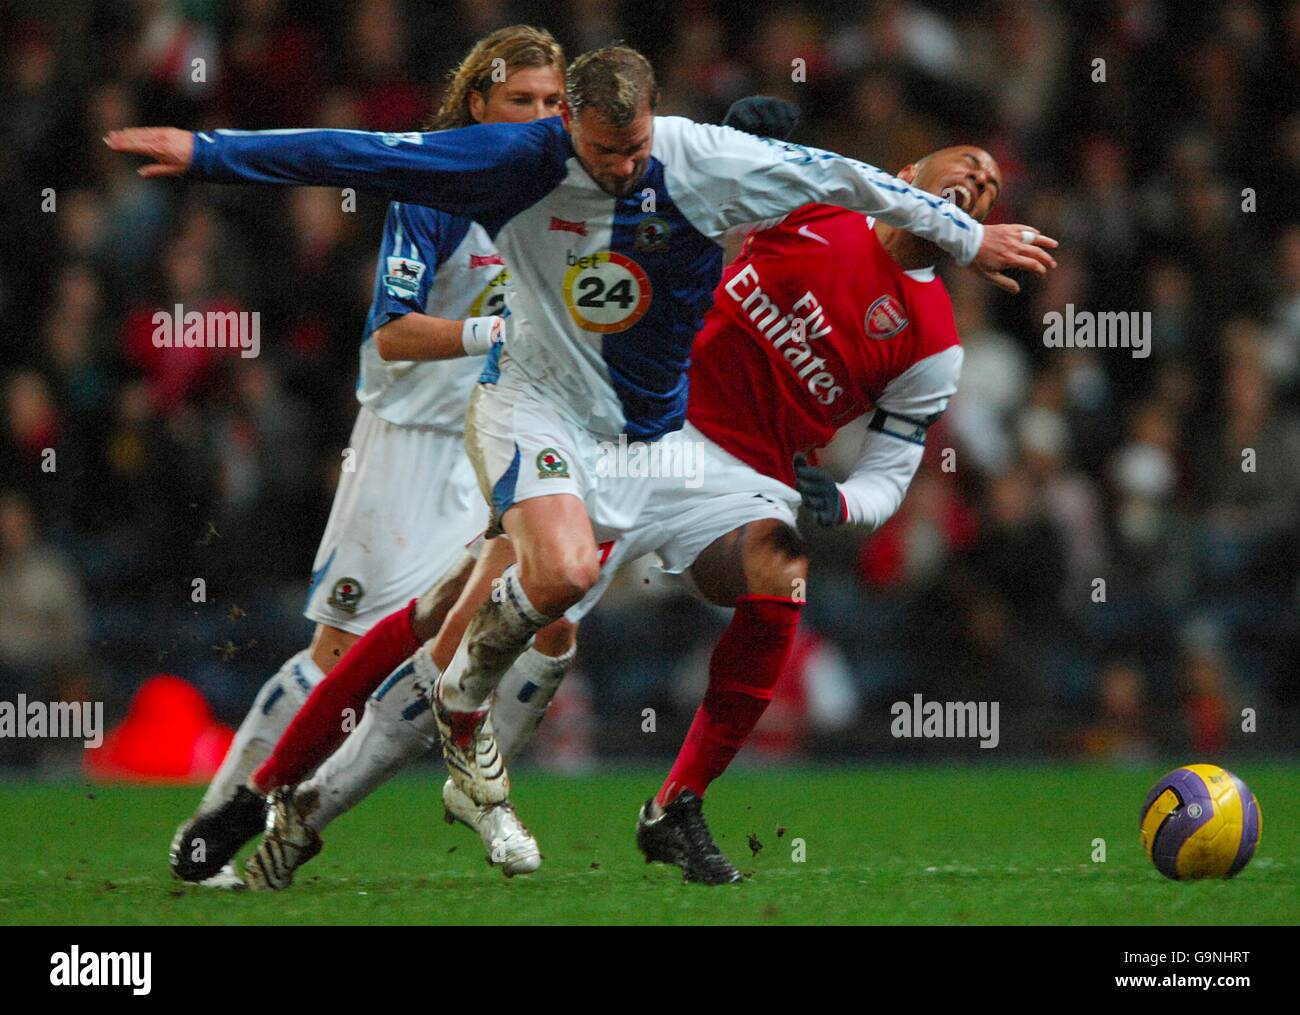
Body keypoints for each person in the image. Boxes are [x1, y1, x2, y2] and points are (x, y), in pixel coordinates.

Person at [107, 43, 1055, 875]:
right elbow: (357, 152)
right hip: (577, 418)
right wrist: (206, 153)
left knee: (777, 575)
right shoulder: (538, 161)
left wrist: (842, 498)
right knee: (460, 613)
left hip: (707, 461)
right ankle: (286, 802)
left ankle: (671, 805)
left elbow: (856, 210)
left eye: (986, 187)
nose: (627, 167)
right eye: (958, 172)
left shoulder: (907, 318)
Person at [168, 25, 577, 886]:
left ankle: (348, 803)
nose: (538, 120)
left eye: (551, 104)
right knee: (335, 655)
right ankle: (220, 819)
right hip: (407, 444)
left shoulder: (565, 189)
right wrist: (495, 330)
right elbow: (391, 335)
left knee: (521, 632)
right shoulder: (431, 188)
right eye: (520, 102)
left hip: (500, 440)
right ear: (477, 105)